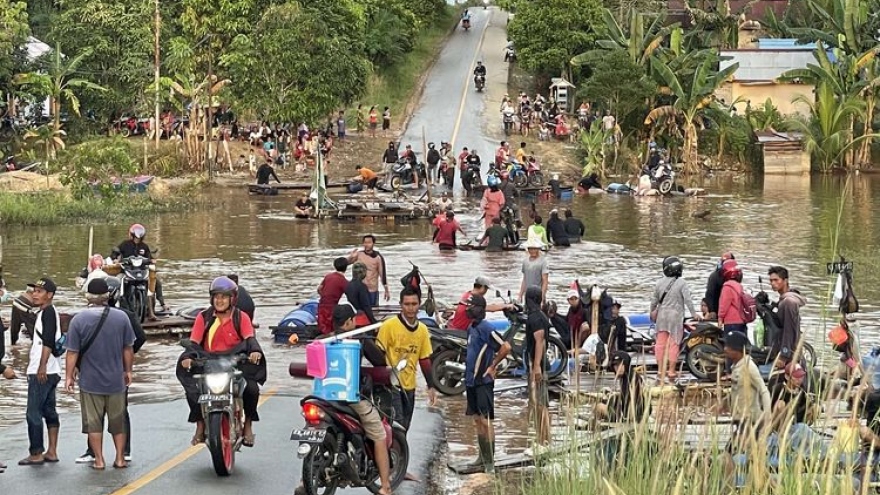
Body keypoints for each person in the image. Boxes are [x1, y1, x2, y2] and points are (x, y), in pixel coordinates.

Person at [178, 277, 265, 447]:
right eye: (216, 297)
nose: (219, 300)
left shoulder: (242, 317)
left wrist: (254, 351)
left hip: (236, 361)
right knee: (192, 390)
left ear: (232, 299)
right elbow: (194, 343)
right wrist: (188, 358)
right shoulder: (204, 317)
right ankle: (200, 424)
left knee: (252, 389)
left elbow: (250, 339)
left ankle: (248, 424)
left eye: (224, 297)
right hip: (209, 361)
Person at [65, 279, 136, 469]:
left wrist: (69, 376)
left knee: (93, 423)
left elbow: (72, 352)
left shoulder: (78, 320)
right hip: (116, 380)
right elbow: (128, 348)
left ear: (88, 296)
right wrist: (128, 370)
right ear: (108, 296)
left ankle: (99, 459)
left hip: (90, 382)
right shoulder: (121, 318)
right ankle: (120, 458)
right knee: (118, 421)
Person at [462, 294, 512, 474]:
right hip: (471, 380)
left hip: (483, 381)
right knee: (477, 419)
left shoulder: (486, 328)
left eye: (470, 306)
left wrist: (493, 365)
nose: (467, 309)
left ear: (479, 309)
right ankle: (481, 458)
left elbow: (505, 347)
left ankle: (489, 463)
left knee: (486, 420)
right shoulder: (471, 328)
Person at [376, 287, 437, 430]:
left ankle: (399, 452)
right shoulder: (389, 326)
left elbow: (424, 359)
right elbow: (377, 354)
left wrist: (431, 385)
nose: (410, 308)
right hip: (392, 385)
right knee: (397, 426)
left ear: (419, 304)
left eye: (414, 304)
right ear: (401, 305)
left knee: (406, 426)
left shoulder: (422, 330)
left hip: (410, 385)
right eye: (407, 304)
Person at [19, 277, 61, 466]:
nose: (35, 294)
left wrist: (41, 366)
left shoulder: (48, 313)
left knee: (33, 412)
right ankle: (51, 451)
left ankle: (36, 452)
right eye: (34, 291)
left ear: (49, 295)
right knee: (49, 410)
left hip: (43, 371)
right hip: (51, 370)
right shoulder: (45, 313)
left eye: (39, 291)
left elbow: (48, 341)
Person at [651, 256, 699, 383]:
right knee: (674, 344)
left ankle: (660, 370)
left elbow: (654, 301)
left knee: (660, 344)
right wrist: (694, 314)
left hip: (662, 316)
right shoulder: (682, 283)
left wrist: (652, 312)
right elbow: (688, 300)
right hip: (675, 317)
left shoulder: (659, 282)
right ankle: (671, 371)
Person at [723, 330, 771, 454]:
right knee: (734, 452)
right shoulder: (736, 366)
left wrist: (767, 417)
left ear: (737, 350)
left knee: (738, 453)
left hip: (750, 421)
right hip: (740, 419)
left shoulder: (749, 367)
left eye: (728, 347)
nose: (725, 349)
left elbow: (763, 390)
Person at [110, 223, 162, 320]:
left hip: (141, 272)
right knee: (116, 282)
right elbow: (115, 254)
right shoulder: (124, 244)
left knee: (154, 283)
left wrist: (152, 260)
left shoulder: (145, 247)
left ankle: (152, 311)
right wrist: (116, 259)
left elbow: (150, 258)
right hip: (126, 272)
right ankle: (113, 306)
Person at [523, 286, 550, 455]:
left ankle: (545, 441)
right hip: (536, 361)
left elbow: (540, 341)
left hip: (538, 363)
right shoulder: (539, 316)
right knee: (537, 403)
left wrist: (537, 365)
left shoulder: (536, 318)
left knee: (540, 403)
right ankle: (542, 439)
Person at [595, 351, 647, 422]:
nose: (618, 368)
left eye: (621, 365)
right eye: (616, 365)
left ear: (626, 364)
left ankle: (602, 427)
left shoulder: (632, 379)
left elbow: (632, 402)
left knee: (598, 407)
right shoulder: (627, 376)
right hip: (628, 414)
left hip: (630, 417)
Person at [768, 266, 807, 358]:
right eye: (771, 281)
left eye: (776, 280)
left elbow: (788, 330)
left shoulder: (788, 302)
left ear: (785, 281)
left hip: (789, 353)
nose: (773, 283)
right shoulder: (784, 300)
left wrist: (784, 355)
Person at [447, 277, 513, 331]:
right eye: (486, 289)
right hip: (463, 330)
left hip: (458, 326)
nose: (486, 291)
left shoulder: (468, 294)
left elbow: (484, 307)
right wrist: (506, 306)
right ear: (482, 287)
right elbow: (489, 308)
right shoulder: (475, 299)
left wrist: (502, 305)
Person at [347, 235, 390, 306]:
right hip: (359, 289)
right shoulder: (358, 254)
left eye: (369, 242)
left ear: (373, 243)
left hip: (372, 290)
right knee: (359, 312)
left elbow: (383, 275)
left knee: (373, 311)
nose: (366, 244)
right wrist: (350, 257)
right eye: (365, 242)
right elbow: (344, 264)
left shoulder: (378, 258)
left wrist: (386, 290)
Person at [317, 258, 349, 335]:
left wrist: (325, 296)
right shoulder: (344, 281)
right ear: (346, 268)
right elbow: (350, 296)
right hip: (332, 308)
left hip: (322, 305)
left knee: (323, 328)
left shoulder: (328, 276)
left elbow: (319, 289)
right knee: (331, 329)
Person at [704, 251, 736, 320]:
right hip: (717, 310)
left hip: (731, 310)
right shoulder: (715, 276)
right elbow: (709, 294)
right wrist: (712, 310)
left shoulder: (736, 275)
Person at [718, 260, 747, 334]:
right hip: (742, 321)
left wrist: (720, 318)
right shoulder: (739, 286)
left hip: (731, 322)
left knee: (730, 344)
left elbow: (723, 305)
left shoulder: (727, 286)